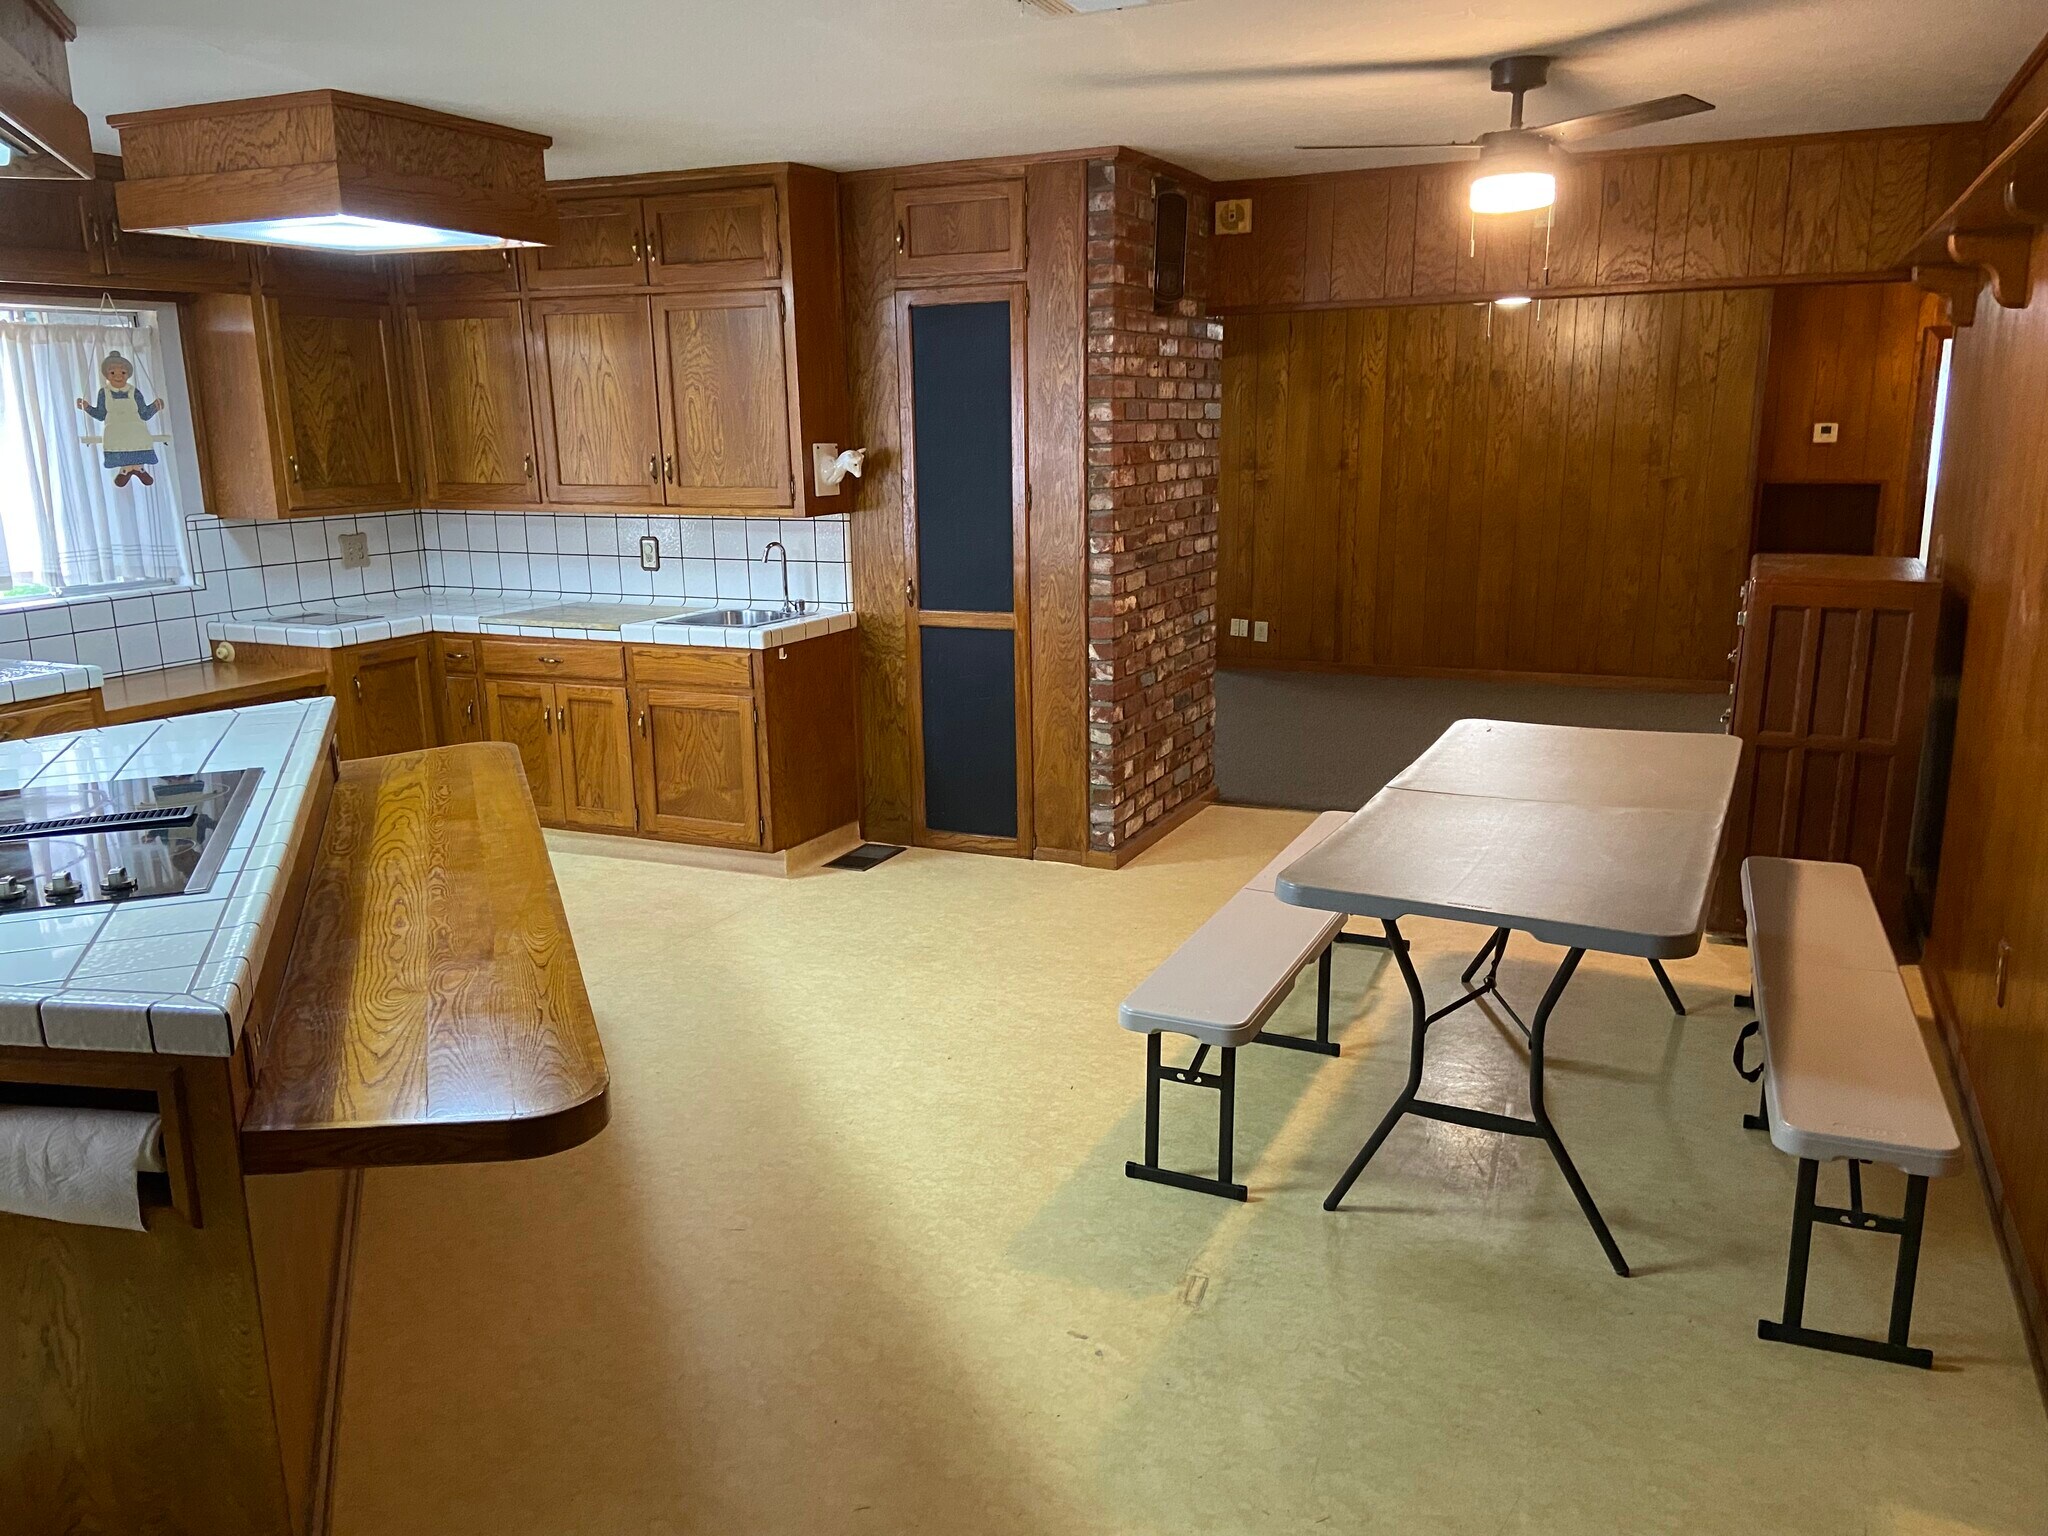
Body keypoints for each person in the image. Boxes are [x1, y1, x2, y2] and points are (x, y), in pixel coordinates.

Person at [75, 350, 165, 488]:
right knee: (119, 449)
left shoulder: (134, 392)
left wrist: (154, 407)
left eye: (122, 372)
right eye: (113, 373)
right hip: (115, 430)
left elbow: (144, 413)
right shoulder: (103, 393)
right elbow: (100, 414)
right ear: (107, 375)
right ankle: (126, 470)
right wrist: (87, 407)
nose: (118, 376)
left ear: (128, 374)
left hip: (136, 429)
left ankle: (139, 468)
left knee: (138, 446)